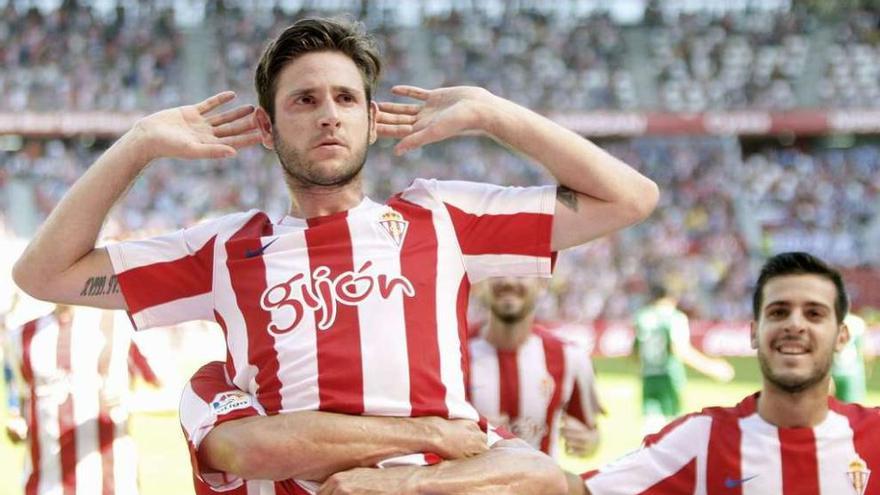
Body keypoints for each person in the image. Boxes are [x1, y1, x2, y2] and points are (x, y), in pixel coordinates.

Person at [12, 17, 658, 494]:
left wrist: (495, 113)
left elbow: (630, 197)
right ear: (265, 129)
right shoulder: (223, 247)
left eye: (346, 99)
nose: (329, 115)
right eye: (304, 99)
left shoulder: (441, 216)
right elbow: (44, 273)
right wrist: (137, 145)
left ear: (373, 120)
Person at [571, 252, 880, 495]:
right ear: (754, 333)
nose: (795, 324)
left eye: (814, 313)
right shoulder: (699, 438)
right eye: (778, 312)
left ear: (842, 336)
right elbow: (581, 491)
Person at [180, 361, 561, 494]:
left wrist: (405, 483)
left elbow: (544, 476)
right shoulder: (214, 382)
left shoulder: (410, 398)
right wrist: (426, 434)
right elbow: (246, 450)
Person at [3, 304, 160, 495]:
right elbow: (22, 400)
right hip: (45, 484)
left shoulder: (118, 323)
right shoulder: (22, 336)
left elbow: (171, 393)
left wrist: (131, 401)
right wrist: (18, 422)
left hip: (111, 483)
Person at [468, 276, 603, 458]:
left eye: (522, 272)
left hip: (543, 486)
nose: (509, 281)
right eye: (498, 270)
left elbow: (592, 434)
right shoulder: (454, 351)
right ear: (481, 281)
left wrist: (588, 442)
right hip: (471, 484)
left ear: (542, 283)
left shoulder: (571, 357)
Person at [632, 283, 735, 433]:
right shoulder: (674, 318)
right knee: (672, 430)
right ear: (671, 298)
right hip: (668, 377)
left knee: (651, 427)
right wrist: (713, 367)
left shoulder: (642, 316)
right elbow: (680, 350)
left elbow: (635, 351)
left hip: (648, 377)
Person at [832, 312, 874, 403]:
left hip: (844, 369)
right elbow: (861, 349)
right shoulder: (857, 322)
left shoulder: (854, 322)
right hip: (847, 369)